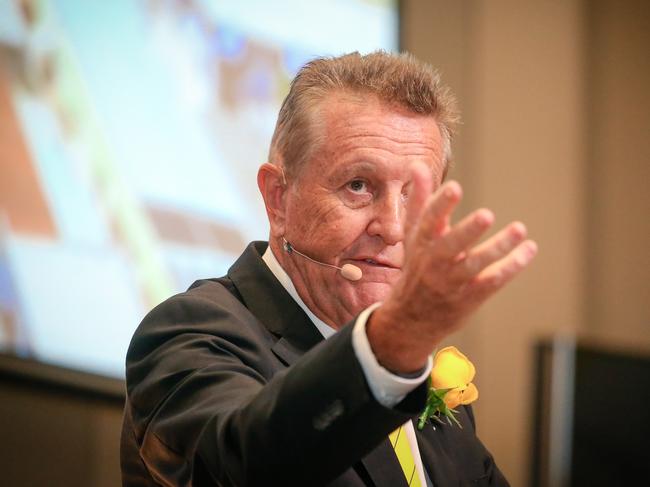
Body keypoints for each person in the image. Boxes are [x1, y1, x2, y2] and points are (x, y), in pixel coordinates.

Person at [120, 51, 537, 487]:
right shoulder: (191, 332)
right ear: (278, 198)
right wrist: (389, 349)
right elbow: (241, 469)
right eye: (358, 185)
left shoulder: (432, 396)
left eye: (412, 195)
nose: (393, 229)